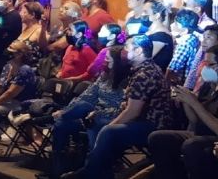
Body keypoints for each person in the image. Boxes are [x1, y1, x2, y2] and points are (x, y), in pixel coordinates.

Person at [62, 35, 173, 179]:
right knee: (97, 122)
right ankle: (100, 171)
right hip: (145, 120)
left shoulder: (144, 74)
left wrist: (110, 124)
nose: (123, 51)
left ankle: (90, 171)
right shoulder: (146, 69)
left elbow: (133, 112)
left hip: (153, 126)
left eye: (127, 47)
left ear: (139, 51)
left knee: (108, 130)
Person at [41, 46, 130, 179]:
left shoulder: (126, 82)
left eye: (107, 59)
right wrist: (67, 109)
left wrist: (96, 111)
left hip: (109, 119)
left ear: (117, 62)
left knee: (87, 114)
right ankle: (57, 170)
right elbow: (87, 95)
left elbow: (121, 110)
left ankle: (89, 172)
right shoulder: (103, 77)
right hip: (88, 115)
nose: (104, 61)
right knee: (63, 123)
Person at [148, 45, 218, 179]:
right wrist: (186, 99)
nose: (206, 68)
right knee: (158, 138)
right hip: (201, 132)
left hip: (214, 138)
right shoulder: (209, 86)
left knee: (193, 146)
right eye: (204, 63)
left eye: (211, 64)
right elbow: (194, 120)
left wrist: (194, 103)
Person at [0, 40, 37, 151]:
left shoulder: (25, 70)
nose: (8, 51)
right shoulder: (9, 65)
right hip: (7, 101)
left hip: (20, 103)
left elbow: (10, 93)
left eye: (12, 50)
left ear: (20, 54)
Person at [168, 9, 202, 85]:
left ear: (185, 30)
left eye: (176, 23)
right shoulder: (193, 38)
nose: (172, 25)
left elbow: (172, 69)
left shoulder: (184, 43)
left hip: (180, 84)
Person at [145, 0, 174, 71]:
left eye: (146, 12)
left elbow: (145, 58)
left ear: (157, 15)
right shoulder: (151, 31)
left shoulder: (161, 36)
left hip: (153, 76)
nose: (143, 15)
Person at [187, 25, 218, 91]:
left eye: (208, 37)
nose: (203, 42)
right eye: (203, 38)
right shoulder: (202, 52)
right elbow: (193, 73)